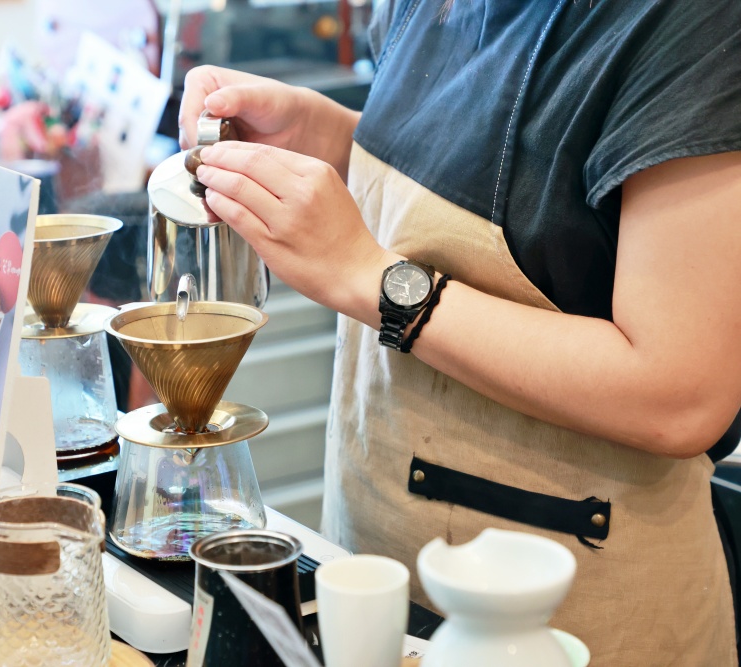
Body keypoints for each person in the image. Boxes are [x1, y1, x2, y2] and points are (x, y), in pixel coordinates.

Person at [178, 1, 741, 665]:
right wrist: (323, 133)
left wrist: (373, 281)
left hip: (572, 610)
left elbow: (679, 395)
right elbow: (515, 190)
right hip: (375, 545)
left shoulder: (697, 24)